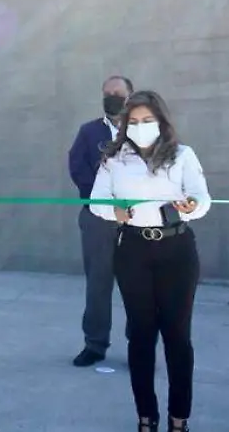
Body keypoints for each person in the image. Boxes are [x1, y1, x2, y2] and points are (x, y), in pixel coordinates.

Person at [89, 90, 210, 432]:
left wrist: (192, 206)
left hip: (177, 251)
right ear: (126, 125)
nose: (141, 127)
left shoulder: (182, 155)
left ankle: (178, 419)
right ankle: (146, 418)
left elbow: (202, 198)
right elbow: (96, 200)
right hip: (133, 251)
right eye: (135, 122)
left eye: (148, 121)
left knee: (177, 335)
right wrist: (112, 209)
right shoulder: (114, 159)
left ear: (161, 122)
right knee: (141, 336)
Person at [67, 74, 133, 366]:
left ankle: (139, 346)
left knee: (139, 286)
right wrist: (100, 197)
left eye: (117, 93)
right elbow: (77, 166)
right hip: (98, 219)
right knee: (98, 284)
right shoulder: (89, 132)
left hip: (137, 220)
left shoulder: (143, 130)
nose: (112, 97)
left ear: (130, 96)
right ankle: (95, 344)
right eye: (107, 93)